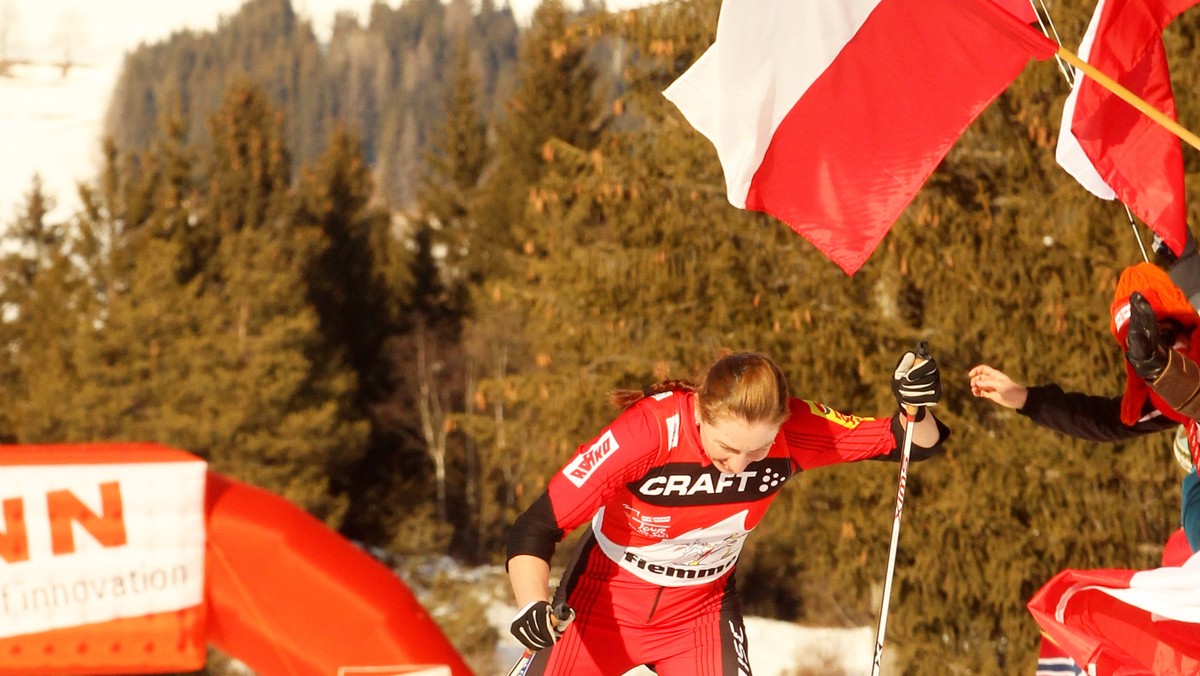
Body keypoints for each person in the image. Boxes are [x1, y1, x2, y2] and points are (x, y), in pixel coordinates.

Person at [506, 349, 950, 675]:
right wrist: (531, 605)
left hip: (700, 612)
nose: (739, 466)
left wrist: (917, 406)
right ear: (700, 410)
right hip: (603, 601)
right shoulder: (649, 431)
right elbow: (538, 525)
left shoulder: (795, 430)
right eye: (726, 447)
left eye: (758, 450)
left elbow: (912, 442)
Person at [969, 261, 1200, 550]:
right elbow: (1100, 420)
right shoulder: (1159, 404)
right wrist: (1023, 397)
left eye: (1163, 339)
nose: (1165, 355)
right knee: (1193, 493)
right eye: (1138, 353)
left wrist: (1163, 369)